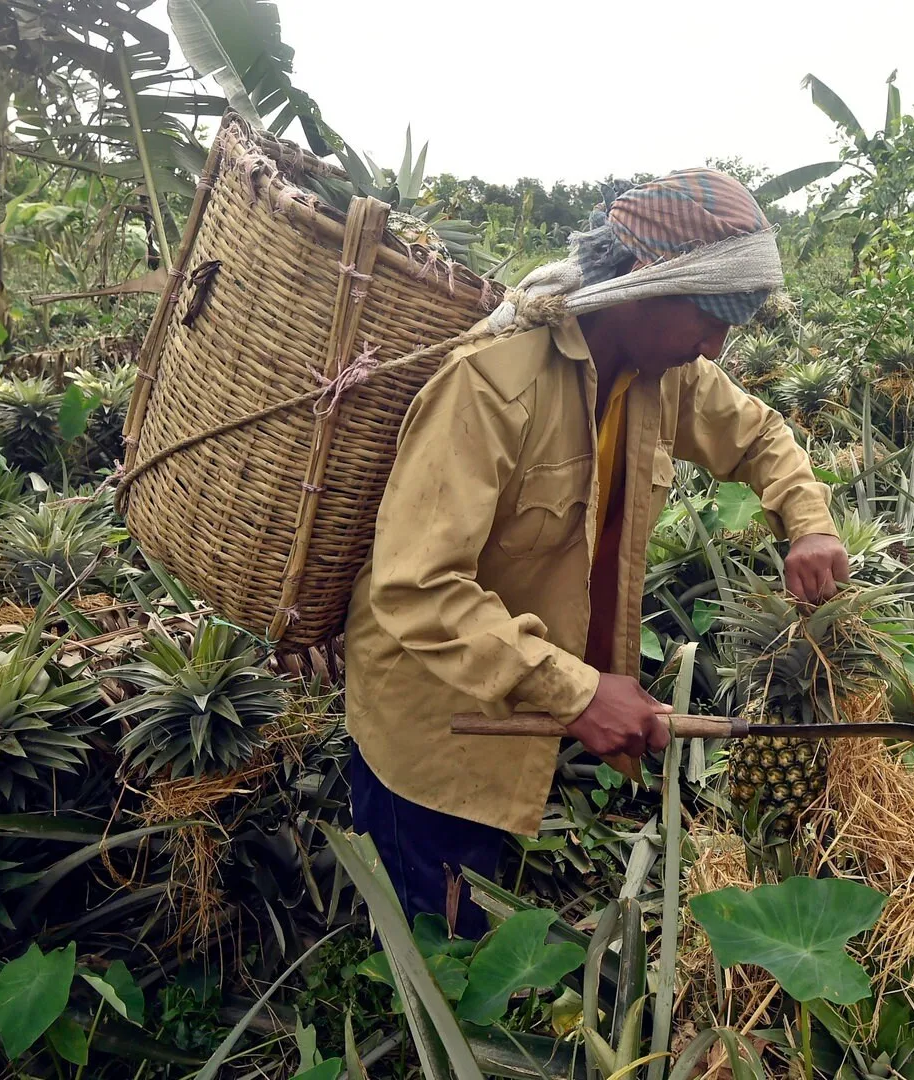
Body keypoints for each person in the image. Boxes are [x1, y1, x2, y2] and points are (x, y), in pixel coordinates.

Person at [342, 169, 846, 935]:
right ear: (643, 284)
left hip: (525, 702)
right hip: (438, 724)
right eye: (709, 318)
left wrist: (809, 522)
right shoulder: (489, 384)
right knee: (442, 938)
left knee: (484, 888)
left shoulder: (665, 374)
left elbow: (759, 436)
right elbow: (418, 587)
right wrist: (577, 692)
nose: (716, 344)